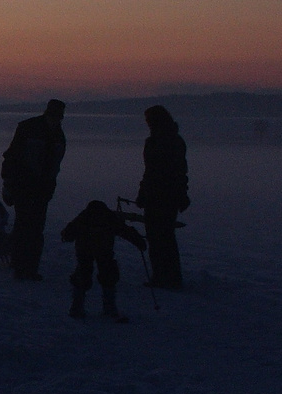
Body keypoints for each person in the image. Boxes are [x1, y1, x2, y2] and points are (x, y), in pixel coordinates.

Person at [0, 99, 67, 281]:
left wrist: (50, 187)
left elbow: (55, 166)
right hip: (23, 186)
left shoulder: (59, 135)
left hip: (42, 190)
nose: (57, 119)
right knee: (24, 227)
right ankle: (20, 267)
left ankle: (30, 268)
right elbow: (11, 156)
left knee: (36, 230)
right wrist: (8, 182)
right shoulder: (28, 128)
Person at [60, 201, 146, 322]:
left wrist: (66, 235)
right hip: (104, 250)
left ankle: (77, 307)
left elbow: (69, 232)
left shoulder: (84, 216)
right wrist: (138, 241)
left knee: (82, 274)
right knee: (108, 275)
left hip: (85, 249)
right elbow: (125, 230)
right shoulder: (109, 217)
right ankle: (109, 307)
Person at [135, 105, 191, 289]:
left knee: (162, 237)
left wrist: (181, 193)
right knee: (159, 237)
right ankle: (164, 276)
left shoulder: (166, 141)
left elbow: (177, 171)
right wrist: (143, 192)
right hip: (159, 194)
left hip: (165, 195)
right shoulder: (165, 140)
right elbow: (150, 171)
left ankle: (167, 277)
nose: (147, 123)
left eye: (149, 120)